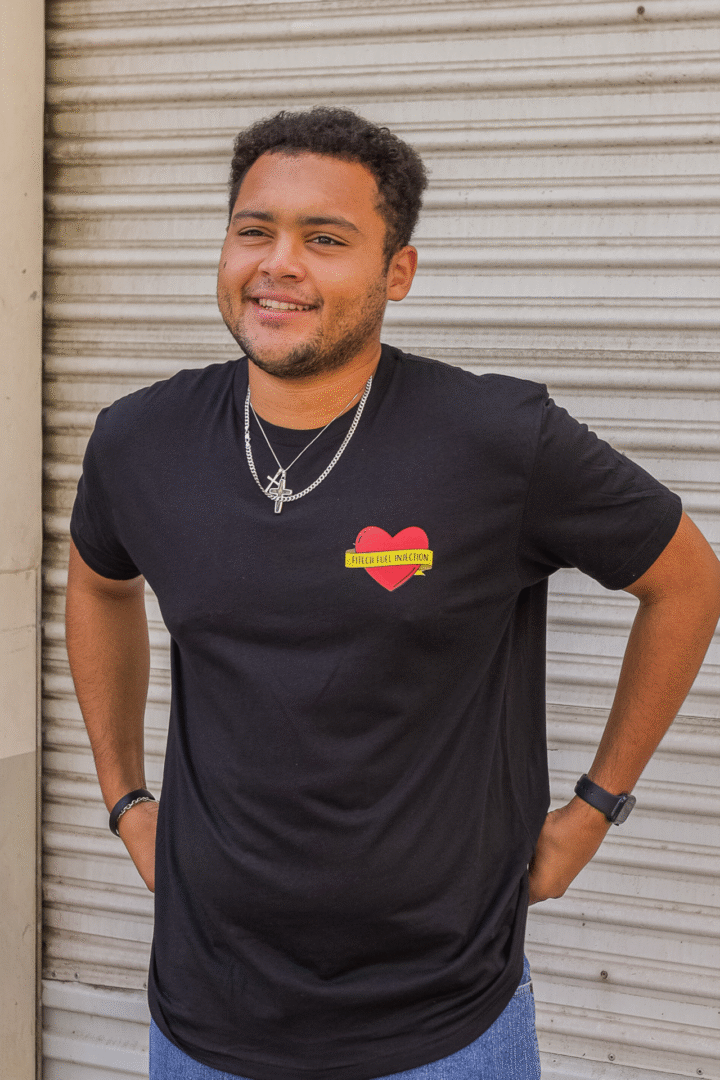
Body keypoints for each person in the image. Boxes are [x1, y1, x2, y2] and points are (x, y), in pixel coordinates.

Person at [65, 107, 720, 1080]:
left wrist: (593, 810)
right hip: (207, 1016)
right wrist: (126, 799)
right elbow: (98, 584)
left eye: (325, 239)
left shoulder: (498, 439)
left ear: (396, 273)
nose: (279, 262)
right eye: (255, 230)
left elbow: (687, 584)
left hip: (445, 1020)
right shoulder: (139, 441)